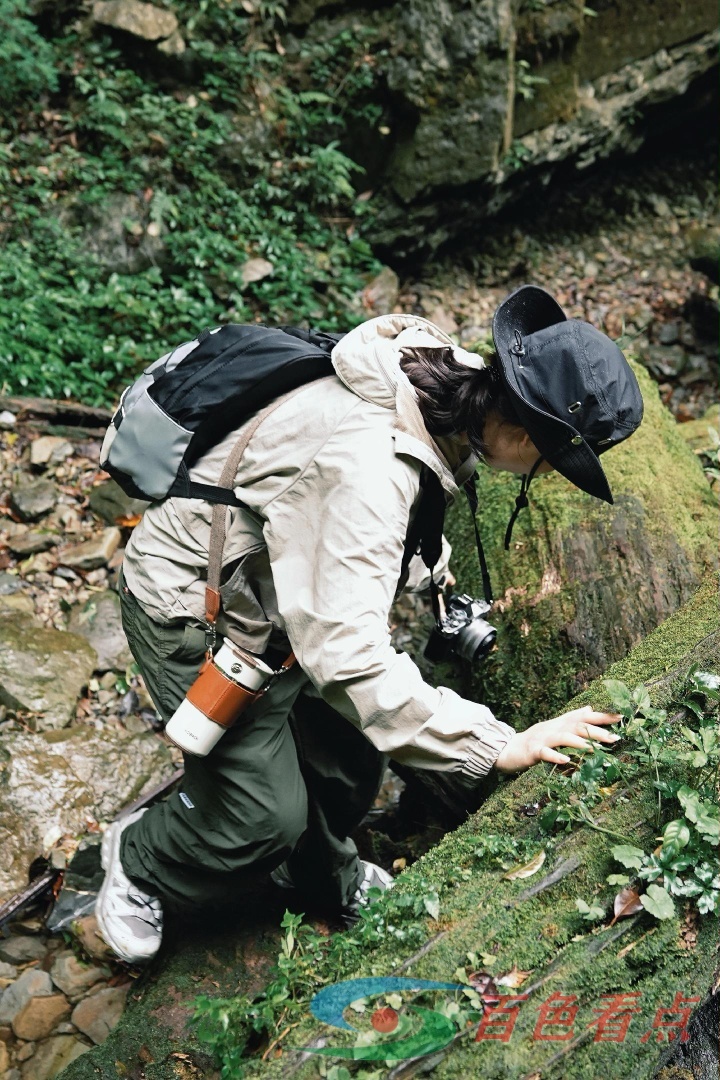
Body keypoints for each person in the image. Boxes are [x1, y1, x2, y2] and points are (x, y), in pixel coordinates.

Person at [96, 285, 643, 964]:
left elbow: (405, 506)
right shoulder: (367, 466)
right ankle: (142, 858)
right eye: (554, 462)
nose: (550, 476)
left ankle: (323, 876)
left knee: (351, 762)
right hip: (195, 605)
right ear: (525, 433)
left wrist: (429, 570)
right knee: (259, 818)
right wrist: (495, 745)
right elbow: (346, 655)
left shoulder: (452, 379)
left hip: (282, 595)